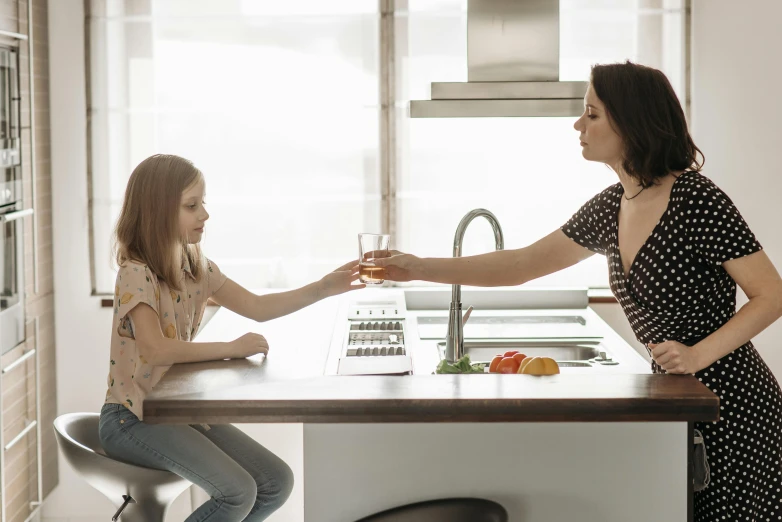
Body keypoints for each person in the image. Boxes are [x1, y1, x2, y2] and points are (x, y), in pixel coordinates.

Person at [373, 61, 782, 521]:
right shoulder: (612, 207)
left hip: (736, 407)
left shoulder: (696, 200)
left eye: (591, 114)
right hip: (680, 400)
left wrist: (697, 355)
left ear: (631, 121)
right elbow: (522, 264)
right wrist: (417, 268)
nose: (577, 125)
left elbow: (771, 294)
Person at [99, 154, 363, 521]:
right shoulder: (136, 273)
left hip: (175, 413)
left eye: (202, 203)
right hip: (131, 419)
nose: (204, 215)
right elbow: (155, 349)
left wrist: (323, 287)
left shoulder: (196, 266)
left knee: (275, 481)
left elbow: (258, 306)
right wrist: (231, 349)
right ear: (157, 212)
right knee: (237, 493)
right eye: (192, 206)